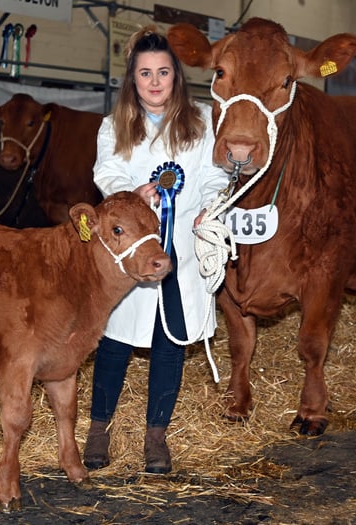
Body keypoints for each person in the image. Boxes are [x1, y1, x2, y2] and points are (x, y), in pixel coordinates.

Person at [83, 25, 229, 474]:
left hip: (180, 244)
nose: (154, 81)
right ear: (133, 78)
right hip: (130, 250)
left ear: (176, 76)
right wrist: (131, 194)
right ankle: (98, 429)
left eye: (163, 72)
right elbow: (105, 173)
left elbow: (213, 175)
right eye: (145, 73)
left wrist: (209, 204)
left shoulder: (201, 122)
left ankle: (156, 438)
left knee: (171, 342)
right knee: (114, 341)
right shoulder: (116, 125)